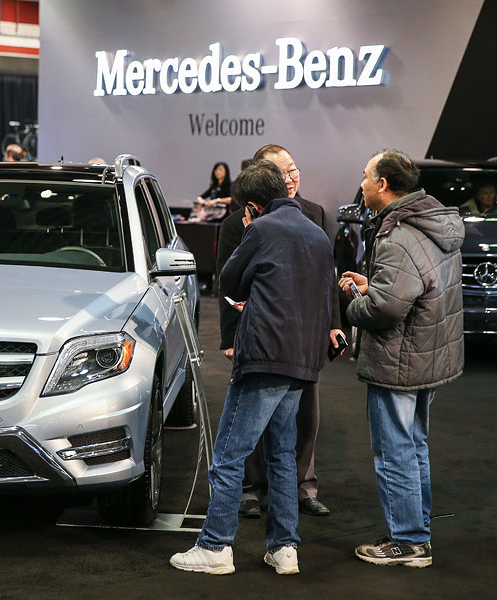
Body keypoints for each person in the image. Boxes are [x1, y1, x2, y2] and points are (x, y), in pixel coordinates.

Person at [170, 160, 334, 576]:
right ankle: (284, 549)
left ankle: (215, 547)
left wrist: (247, 231)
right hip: (303, 361)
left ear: (254, 205)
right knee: (282, 456)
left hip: (264, 356)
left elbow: (229, 281)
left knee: (229, 454)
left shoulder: (260, 228)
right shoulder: (317, 232)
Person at [339, 149, 464, 568]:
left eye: (365, 176)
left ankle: (409, 541)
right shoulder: (431, 223)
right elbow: (414, 287)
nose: (361, 183)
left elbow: (386, 310)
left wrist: (356, 303)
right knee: (413, 445)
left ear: (383, 185)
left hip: (400, 359)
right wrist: (375, 283)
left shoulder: (399, 235)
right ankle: (418, 529)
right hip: (429, 354)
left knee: (394, 449)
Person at [217, 144, 343, 520]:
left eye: (293, 171)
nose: (289, 179)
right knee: (258, 425)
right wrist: (228, 339)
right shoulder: (236, 223)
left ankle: (303, 489)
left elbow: (327, 278)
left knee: (301, 419)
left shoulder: (314, 215)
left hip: (302, 335)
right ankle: (256, 492)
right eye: (281, 174)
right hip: (260, 337)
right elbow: (227, 286)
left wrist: (334, 324)